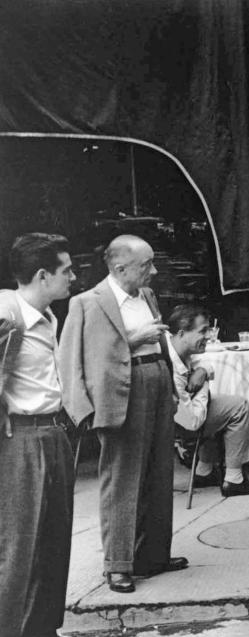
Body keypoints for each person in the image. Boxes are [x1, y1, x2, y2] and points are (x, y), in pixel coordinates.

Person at [60, 234, 188, 593]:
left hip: (157, 382)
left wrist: (173, 388)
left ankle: (153, 556)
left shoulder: (147, 295)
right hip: (121, 390)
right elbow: (70, 360)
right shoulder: (86, 303)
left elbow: (161, 344)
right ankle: (118, 564)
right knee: (121, 479)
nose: (154, 270)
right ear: (119, 268)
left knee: (159, 472)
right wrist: (82, 410)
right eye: (146, 265)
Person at [0, 233, 76, 636]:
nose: (73, 277)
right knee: (18, 549)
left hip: (53, 434)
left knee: (53, 544)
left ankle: (44, 629)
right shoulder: (6, 311)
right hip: (21, 440)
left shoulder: (47, 317)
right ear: (43, 275)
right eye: (67, 271)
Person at [166, 304, 249, 497]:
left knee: (217, 404)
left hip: (182, 415)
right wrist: (203, 383)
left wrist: (202, 371)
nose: (208, 336)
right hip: (178, 428)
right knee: (238, 407)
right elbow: (193, 422)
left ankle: (204, 470)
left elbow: (204, 363)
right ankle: (234, 479)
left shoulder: (174, 346)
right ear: (181, 333)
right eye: (202, 331)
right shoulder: (172, 368)